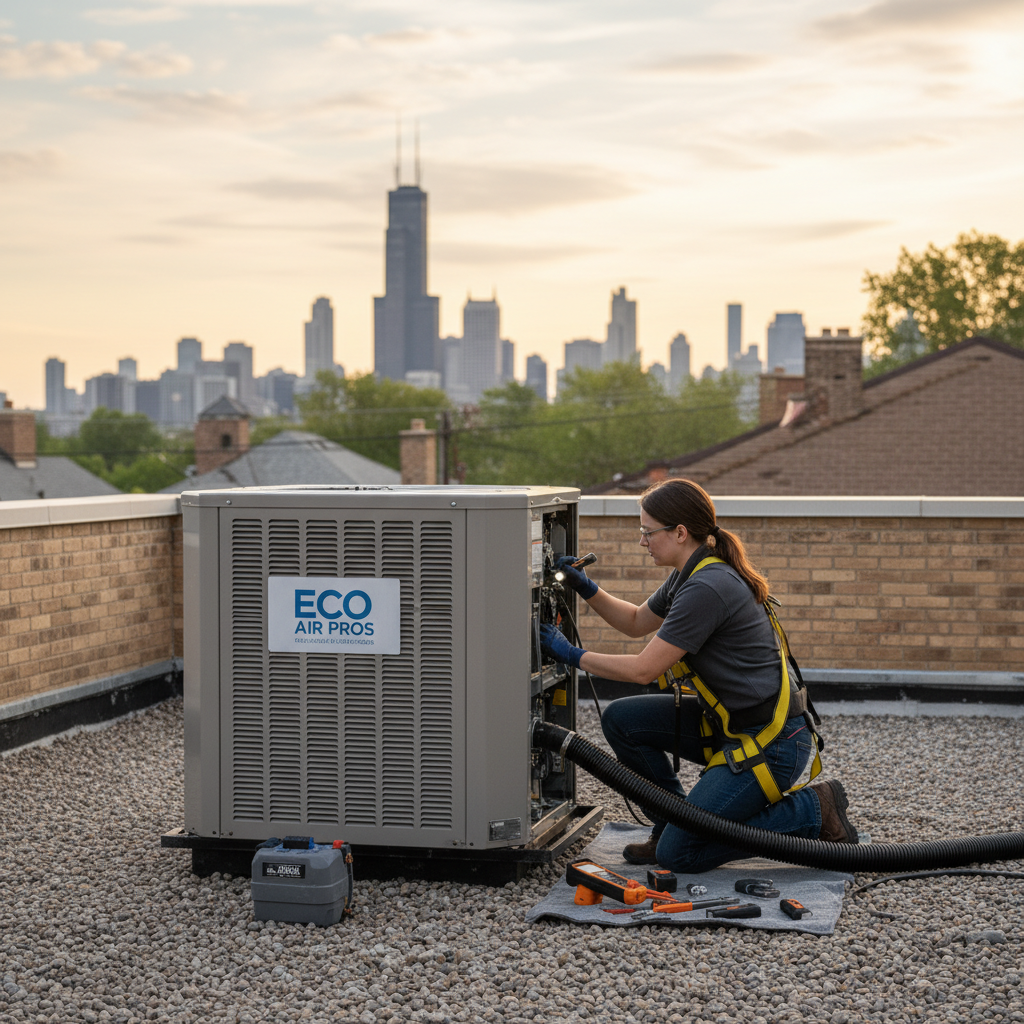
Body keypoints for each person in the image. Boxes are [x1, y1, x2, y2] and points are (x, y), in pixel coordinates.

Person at [539, 478, 858, 873]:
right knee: (622, 720)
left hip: (770, 744)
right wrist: (586, 587)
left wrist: (571, 654)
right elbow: (638, 622)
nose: (642, 541)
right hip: (730, 726)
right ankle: (674, 824)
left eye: (647, 532)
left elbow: (643, 669)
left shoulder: (708, 586)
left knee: (680, 855)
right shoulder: (689, 573)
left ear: (679, 532)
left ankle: (814, 811)